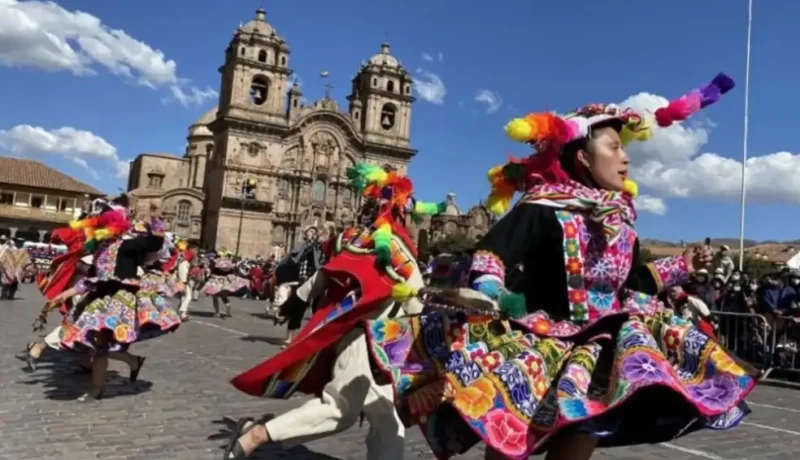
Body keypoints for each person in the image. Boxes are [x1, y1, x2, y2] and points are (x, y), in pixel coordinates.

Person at [362, 74, 757, 460]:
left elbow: (632, 283)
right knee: (510, 436)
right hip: (539, 342)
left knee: (583, 432)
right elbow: (494, 253)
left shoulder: (622, 221)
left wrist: (681, 265)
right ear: (583, 157)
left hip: (595, 352)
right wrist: (491, 291)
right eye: (614, 147)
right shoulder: (543, 206)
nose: (625, 157)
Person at [223, 163, 448, 460]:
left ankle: (256, 430)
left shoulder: (359, 239)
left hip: (380, 344)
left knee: (386, 418)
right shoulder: (390, 246)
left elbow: (328, 272)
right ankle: (257, 434)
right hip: (362, 339)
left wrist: (299, 297)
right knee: (340, 409)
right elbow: (412, 299)